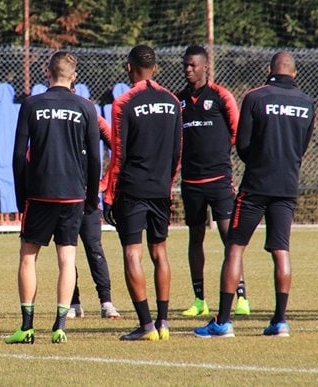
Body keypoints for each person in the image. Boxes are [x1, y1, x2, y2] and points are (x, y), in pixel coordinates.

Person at [195, 51, 314, 338]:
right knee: (281, 250)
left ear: (269, 69)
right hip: (287, 186)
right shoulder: (307, 102)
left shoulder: (255, 97)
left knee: (235, 247)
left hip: (256, 185)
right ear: (294, 73)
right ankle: (280, 321)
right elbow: (302, 146)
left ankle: (223, 322)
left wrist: (260, 160)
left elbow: (243, 144)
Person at [4, 51, 101, 344]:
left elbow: (19, 155)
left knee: (28, 257)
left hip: (39, 193)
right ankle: (60, 325)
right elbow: (95, 158)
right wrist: (92, 196)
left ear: (47, 73)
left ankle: (27, 326)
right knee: (67, 257)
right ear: (74, 77)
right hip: (73, 194)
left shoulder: (32, 104)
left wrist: (20, 197)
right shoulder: (86, 107)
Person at [103, 45, 182, 341]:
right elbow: (177, 151)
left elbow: (119, 155)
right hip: (161, 188)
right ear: (156, 67)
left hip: (133, 187)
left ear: (129, 68)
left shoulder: (123, 103)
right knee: (160, 252)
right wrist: (167, 184)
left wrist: (109, 196)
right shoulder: (173, 101)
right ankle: (164, 323)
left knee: (132, 252)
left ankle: (146, 325)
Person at [176, 45, 251, 318]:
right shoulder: (179, 101)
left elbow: (236, 131)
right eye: (185, 64)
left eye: (193, 65)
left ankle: (241, 296)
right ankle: (199, 300)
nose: (188, 69)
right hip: (191, 182)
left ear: (205, 66)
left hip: (219, 180)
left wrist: (217, 153)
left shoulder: (220, 96)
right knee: (195, 238)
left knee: (230, 238)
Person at [68, 114, 121, 320]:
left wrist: (104, 183)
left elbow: (117, 148)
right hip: (64, 196)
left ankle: (106, 303)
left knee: (94, 249)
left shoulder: (91, 116)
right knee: (66, 251)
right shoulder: (52, 114)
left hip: (89, 199)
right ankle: (73, 303)